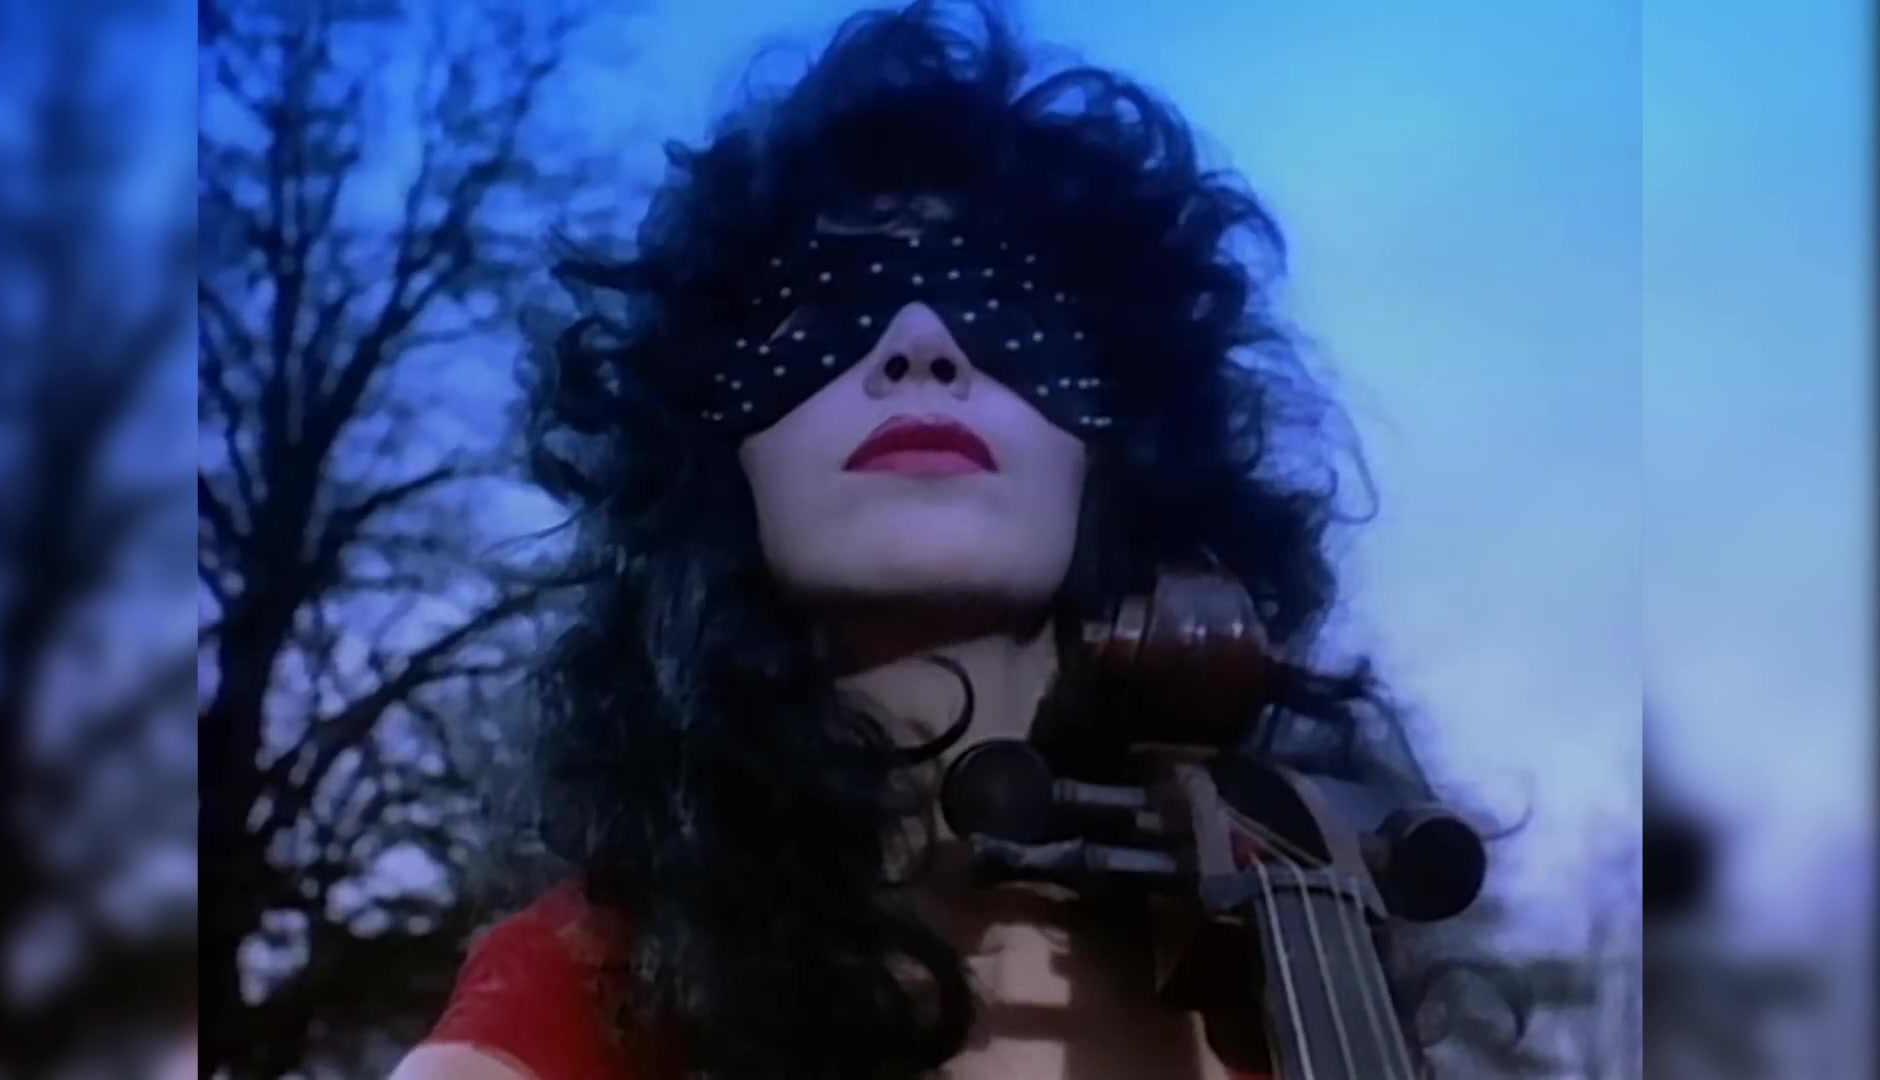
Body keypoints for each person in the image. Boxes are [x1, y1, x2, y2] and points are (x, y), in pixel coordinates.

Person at [394, 2, 1475, 1077]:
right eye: (823, 314)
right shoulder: (598, 992)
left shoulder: (1266, 992)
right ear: (721, 456)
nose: (920, 345)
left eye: (1009, 309)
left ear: (1112, 445)